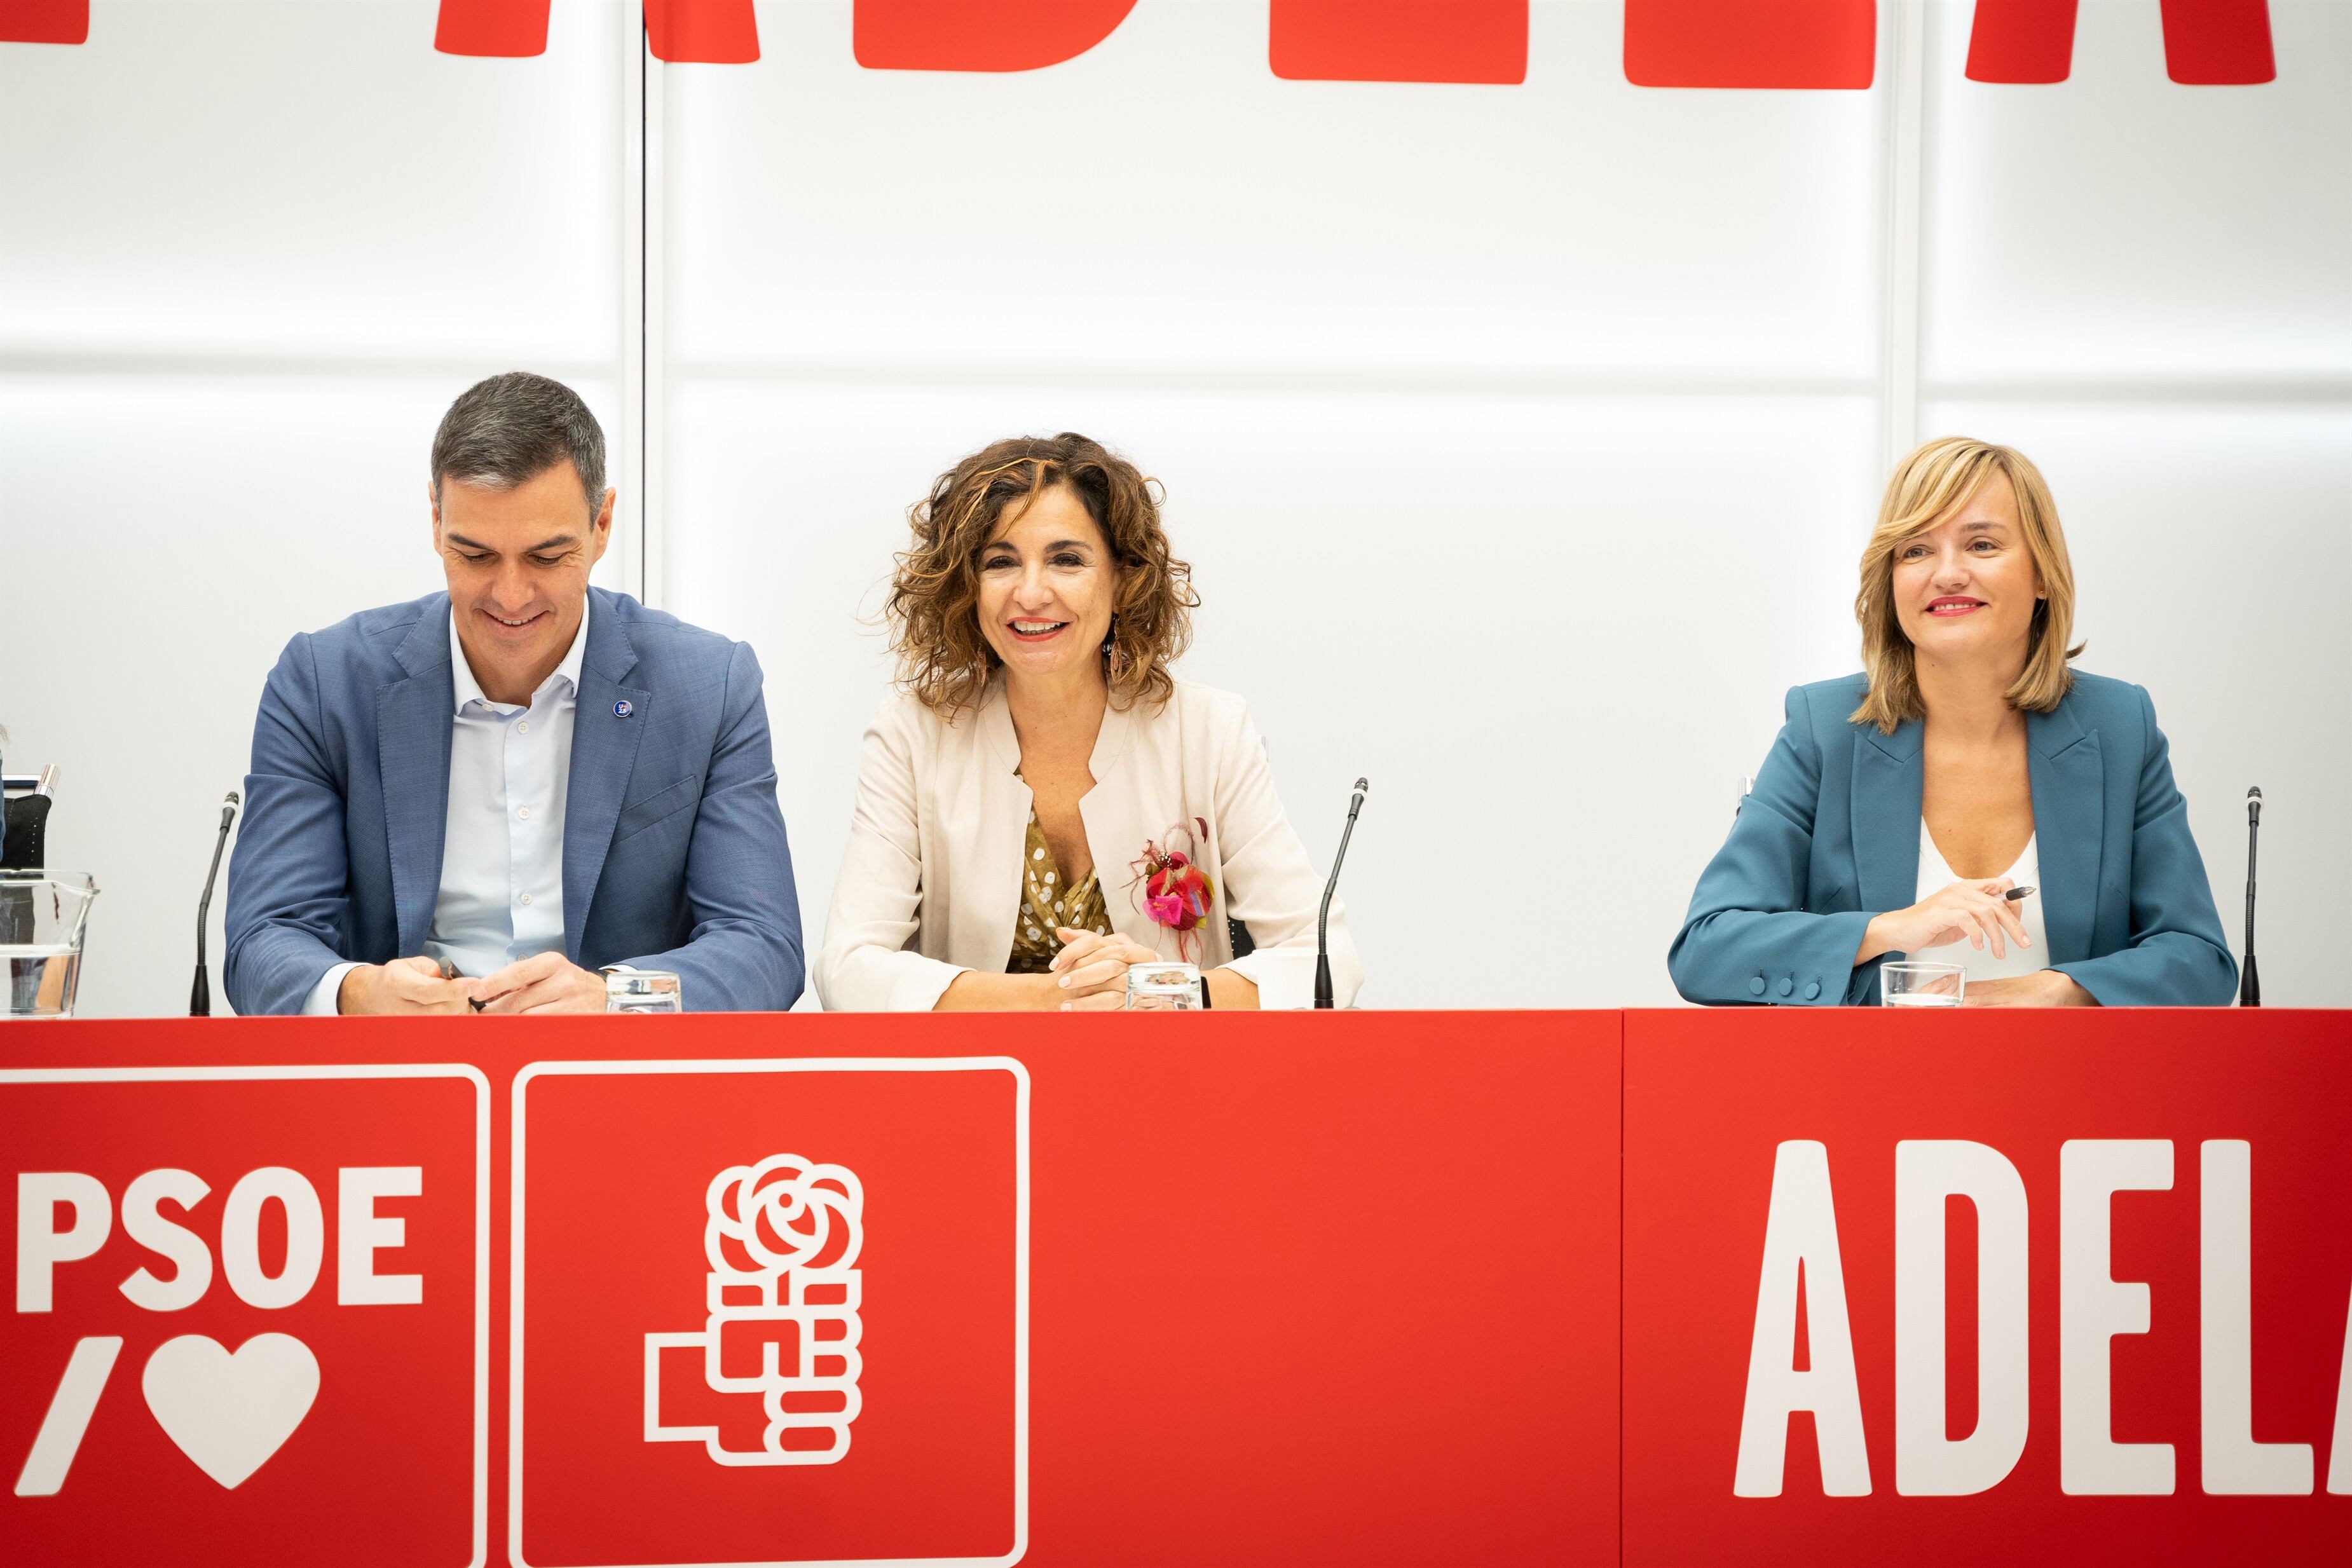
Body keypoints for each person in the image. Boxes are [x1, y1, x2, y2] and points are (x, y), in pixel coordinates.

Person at [224, 372, 802, 1015]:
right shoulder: (324, 684)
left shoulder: (708, 687)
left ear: (602, 523)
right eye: (475, 556)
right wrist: (360, 994)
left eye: (547, 557)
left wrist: (614, 1000)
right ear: (436, 520)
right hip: (403, 1068)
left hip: (616, 1067)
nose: (510, 596)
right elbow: (263, 940)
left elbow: (763, 946)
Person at [1668, 436, 2234, 1008]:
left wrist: (2045, 993)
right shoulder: (1825, 728)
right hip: (1874, 1069)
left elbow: (2198, 960)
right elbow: (1707, 948)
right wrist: (1888, 929)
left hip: (2067, 1069)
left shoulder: (2120, 727)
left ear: (2042, 574)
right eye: (1915, 550)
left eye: (1981, 544)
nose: (1947, 574)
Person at [815, 433, 1360, 1011]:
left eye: (1066, 560)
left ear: (1123, 580)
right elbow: (848, 971)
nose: (1030, 593)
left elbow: (1327, 962)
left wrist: (1158, 991)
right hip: (987, 1066)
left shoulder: (1210, 731)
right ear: (967, 587)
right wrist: (1059, 998)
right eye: (1001, 562)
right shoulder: (912, 735)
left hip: (1173, 1066)